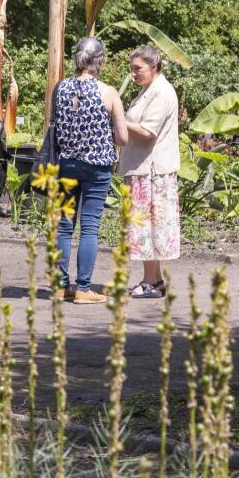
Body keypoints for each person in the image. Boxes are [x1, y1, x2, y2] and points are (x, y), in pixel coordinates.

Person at [52, 36, 129, 304]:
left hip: (66, 165)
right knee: (89, 228)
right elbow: (122, 137)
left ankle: (62, 286)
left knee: (64, 227)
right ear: (100, 62)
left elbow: (54, 126)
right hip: (97, 167)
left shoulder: (60, 89)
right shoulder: (108, 93)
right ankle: (84, 288)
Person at [120, 45, 181, 299]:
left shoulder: (161, 92)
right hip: (144, 169)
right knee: (149, 227)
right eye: (132, 68)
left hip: (151, 171)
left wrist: (118, 120)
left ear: (153, 67)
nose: (133, 74)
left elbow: (147, 131)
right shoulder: (149, 90)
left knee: (146, 227)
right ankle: (154, 280)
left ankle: (150, 282)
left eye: (138, 69)